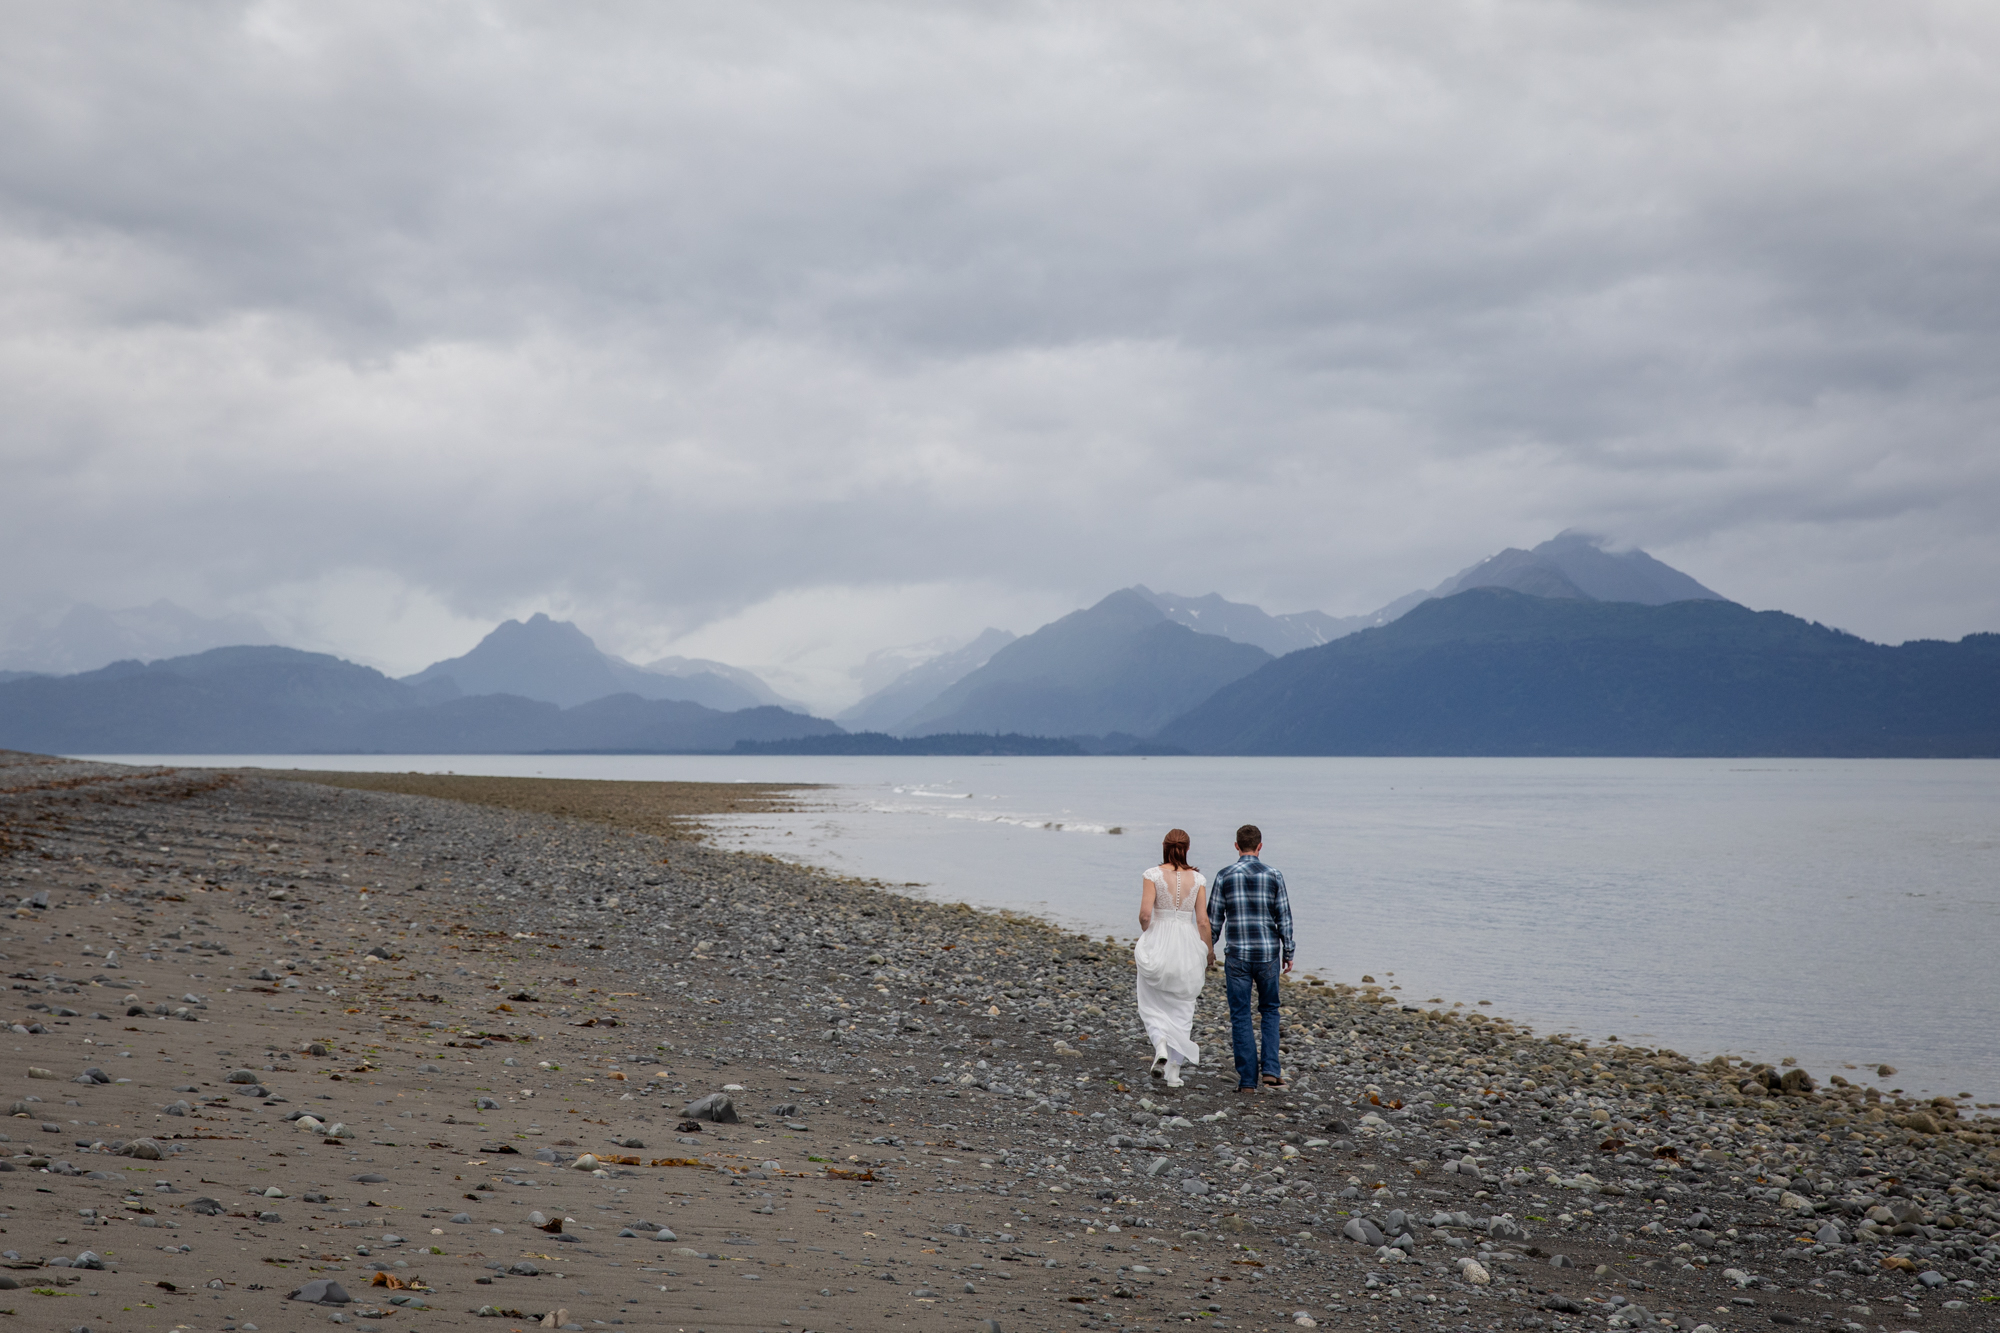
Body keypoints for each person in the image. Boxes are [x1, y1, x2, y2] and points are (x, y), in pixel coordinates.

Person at [1206, 823, 1294, 1092]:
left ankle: (1247, 1081)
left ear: (1236, 846)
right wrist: (1289, 951)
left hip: (1238, 956)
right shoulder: (1274, 875)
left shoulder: (1224, 875)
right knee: (1269, 1010)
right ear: (1260, 846)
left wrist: (1207, 950)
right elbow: (1284, 916)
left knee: (1241, 1015)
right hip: (1268, 954)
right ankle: (1270, 1070)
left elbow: (1213, 920)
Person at [1133, 828, 1213, 1088]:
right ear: (1187, 849)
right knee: (1183, 1008)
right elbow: (1202, 921)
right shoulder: (1199, 879)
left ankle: (1161, 1048)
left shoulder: (1152, 875)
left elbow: (1145, 915)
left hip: (1159, 938)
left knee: (1151, 1005)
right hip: (1186, 943)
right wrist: (1209, 952)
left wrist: (1150, 934)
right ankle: (1174, 1074)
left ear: (1165, 847)